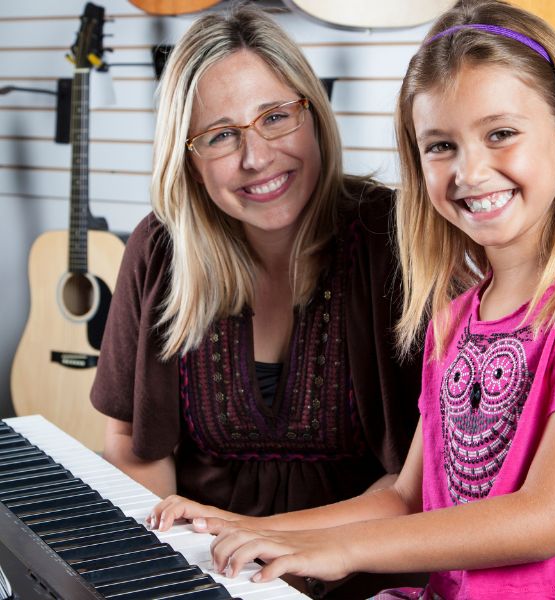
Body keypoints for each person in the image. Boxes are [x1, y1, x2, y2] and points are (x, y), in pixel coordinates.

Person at [147, 1, 555, 598]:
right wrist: (250, 528)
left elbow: (545, 519)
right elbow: (405, 498)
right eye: (440, 146)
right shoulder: (453, 318)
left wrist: (338, 550)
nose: (470, 172)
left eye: (500, 134)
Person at [90, 5, 423, 596]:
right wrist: (162, 569)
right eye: (220, 136)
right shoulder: (159, 247)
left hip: (362, 571)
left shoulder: (395, 236)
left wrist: (259, 535)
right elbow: (135, 449)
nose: (256, 157)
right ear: (188, 160)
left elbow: (417, 484)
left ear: (313, 114)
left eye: (275, 117)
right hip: (204, 567)